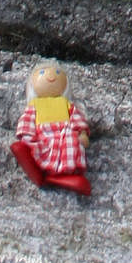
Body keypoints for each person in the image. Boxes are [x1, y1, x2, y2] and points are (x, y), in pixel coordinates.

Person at [10, 63, 91, 195]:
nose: (51, 77)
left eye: (58, 73)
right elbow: (27, 122)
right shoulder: (34, 106)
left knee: (71, 141)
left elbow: (76, 119)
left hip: (65, 134)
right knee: (44, 149)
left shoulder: (66, 105)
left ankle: (67, 172)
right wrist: (28, 138)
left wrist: (82, 133)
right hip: (44, 137)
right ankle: (50, 171)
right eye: (42, 73)